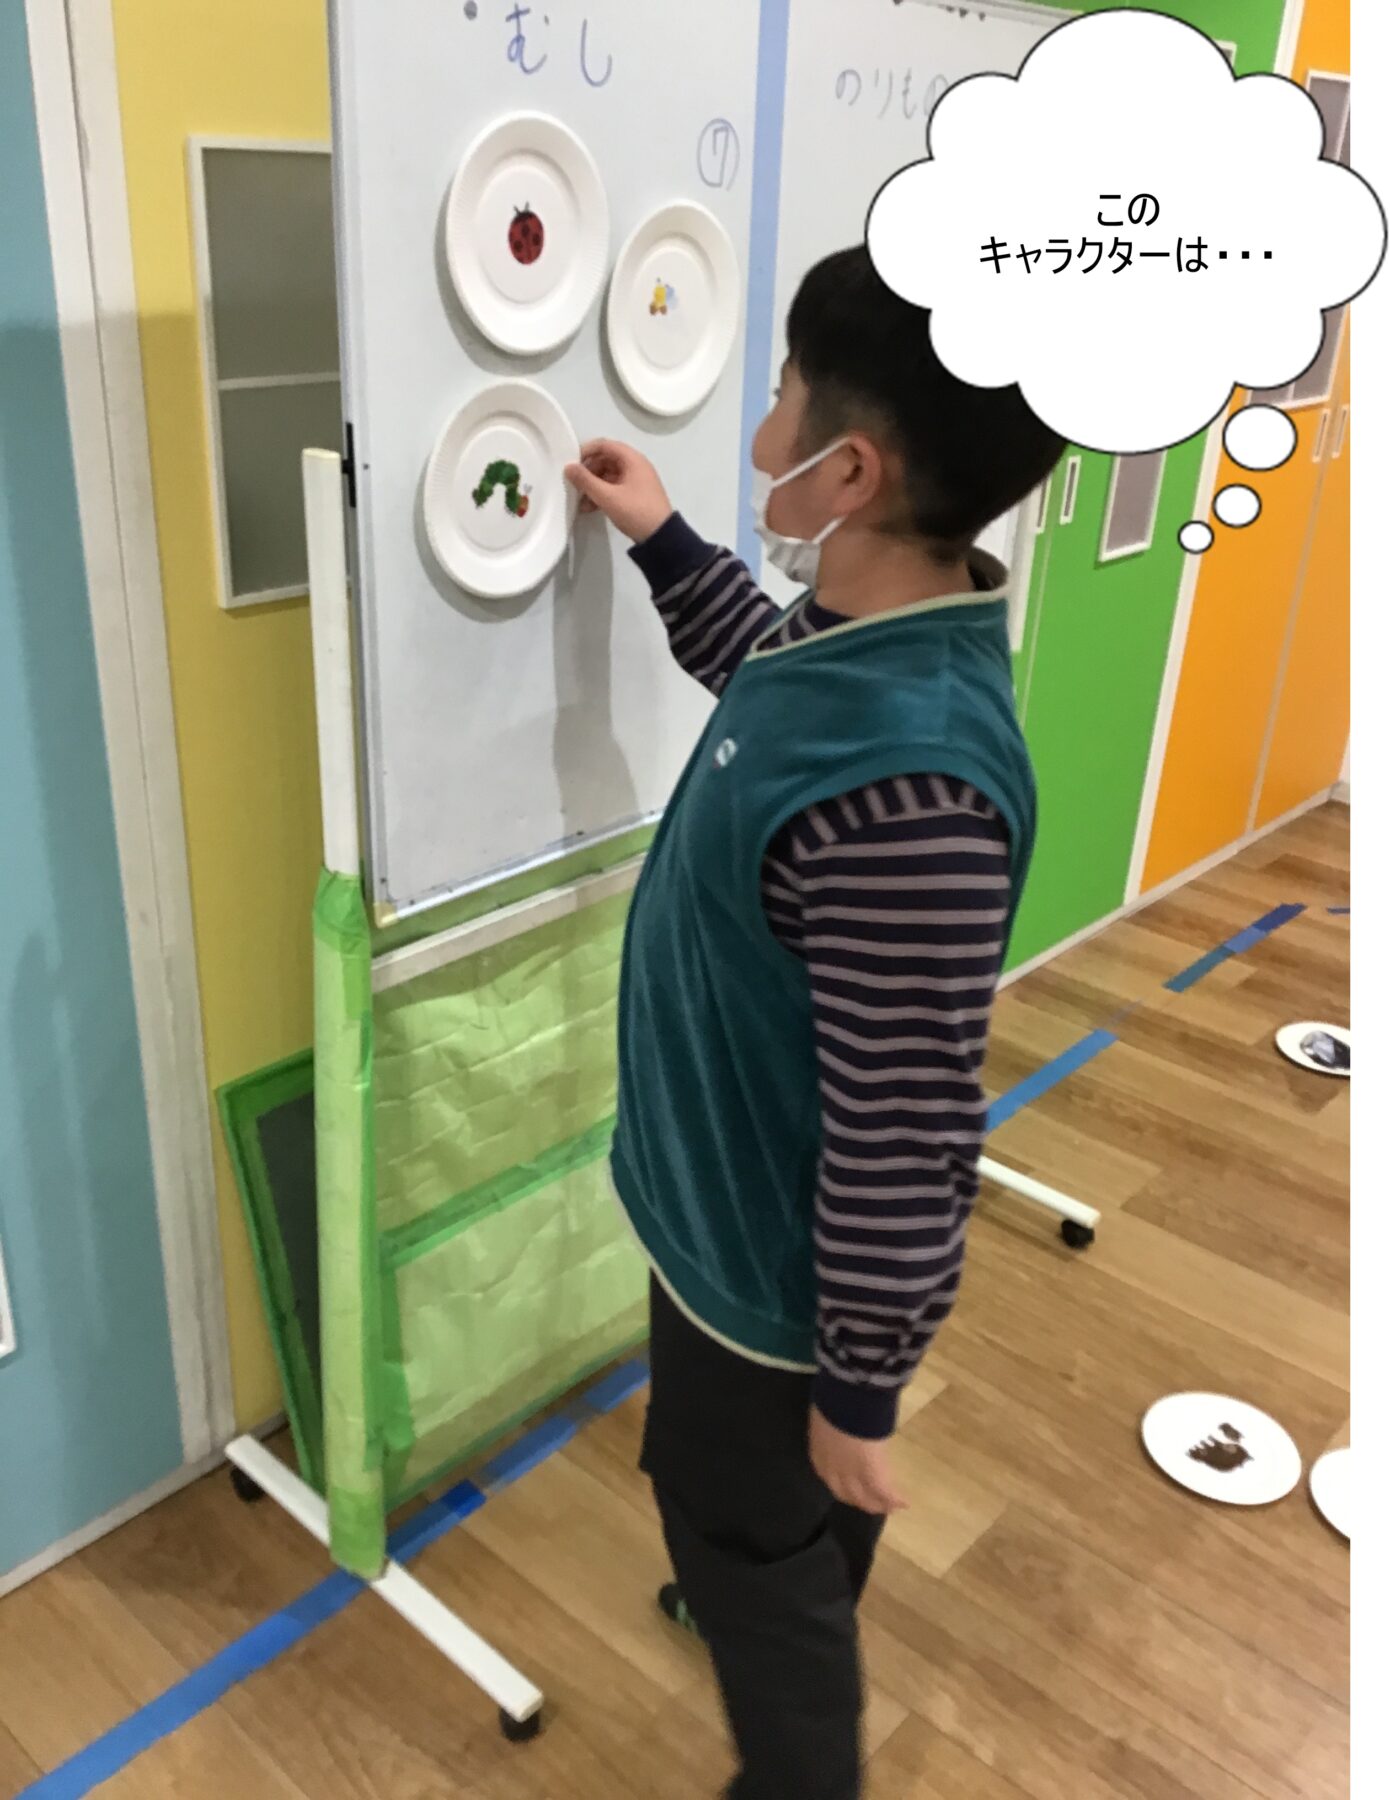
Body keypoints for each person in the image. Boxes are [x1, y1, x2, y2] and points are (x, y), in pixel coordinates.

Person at [565, 245, 1065, 1800]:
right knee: (768, 1506)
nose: (763, 416)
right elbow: (759, 669)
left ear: (848, 472)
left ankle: (788, 1715)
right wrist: (661, 541)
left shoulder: (909, 785)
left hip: (768, 1285)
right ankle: (774, 1565)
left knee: (739, 1519)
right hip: (722, 1217)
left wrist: (857, 1389)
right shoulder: (848, 642)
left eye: (784, 390)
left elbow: (906, 1139)